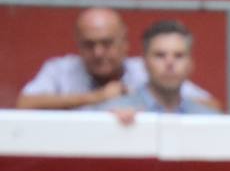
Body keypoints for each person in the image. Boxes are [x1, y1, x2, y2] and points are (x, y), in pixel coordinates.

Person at [15, 6, 211, 111]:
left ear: (124, 44)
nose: (98, 52)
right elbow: (24, 104)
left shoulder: (146, 69)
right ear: (78, 45)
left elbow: (209, 106)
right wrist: (96, 98)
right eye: (89, 45)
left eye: (107, 44)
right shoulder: (60, 69)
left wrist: (141, 105)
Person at [100, 20, 218, 117]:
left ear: (190, 64)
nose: (169, 63)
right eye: (160, 55)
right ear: (144, 62)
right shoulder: (113, 112)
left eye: (178, 55)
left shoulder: (207, 117)